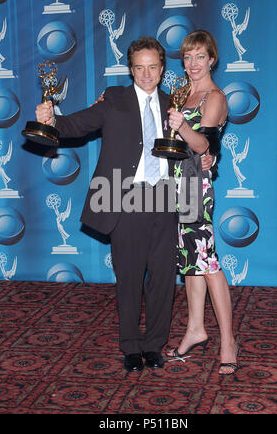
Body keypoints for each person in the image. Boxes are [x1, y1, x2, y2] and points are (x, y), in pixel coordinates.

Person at [35, 36, 213, 373]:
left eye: (153, 67)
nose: (146, 74)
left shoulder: (174, 103)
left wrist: (210, 154)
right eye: (139, 68)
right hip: (125, 198)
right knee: (129, 277)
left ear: (162, 70)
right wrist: (51, 119)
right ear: (130, 70)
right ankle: (131, 346)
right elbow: (76, 124)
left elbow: (196, 143)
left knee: (162, 278)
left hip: (165, 200)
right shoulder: (114, 99)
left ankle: (154, 344)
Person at [166, 30, 239, 375]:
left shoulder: (214, 97)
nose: (193, 64)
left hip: (196, 186)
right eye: (188, 57)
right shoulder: (183, 93)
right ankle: (196, 328)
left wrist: (180, 127)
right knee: (189, 261)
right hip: (176, 185)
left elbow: (202, 147)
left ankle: (228, 341)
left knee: (207, 263)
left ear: (212, 60)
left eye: (200, 57)